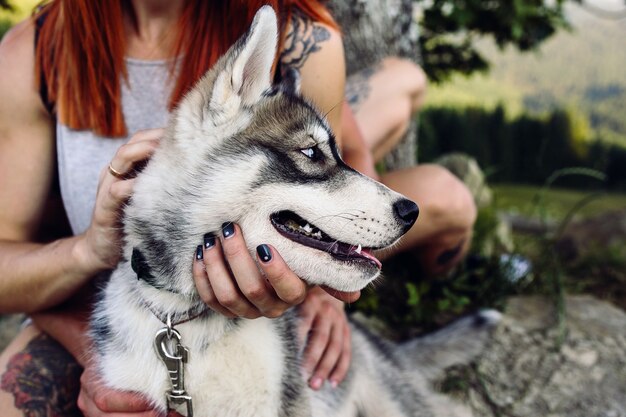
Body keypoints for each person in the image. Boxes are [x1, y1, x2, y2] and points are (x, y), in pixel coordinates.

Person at [0, 1, 476, 416]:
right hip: (100, 295)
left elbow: (345, 159)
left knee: (443, 193)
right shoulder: (36, 52)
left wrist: (325, 291)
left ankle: (450, 275)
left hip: (269, 274)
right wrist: (89, 268)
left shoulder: (301, 33)